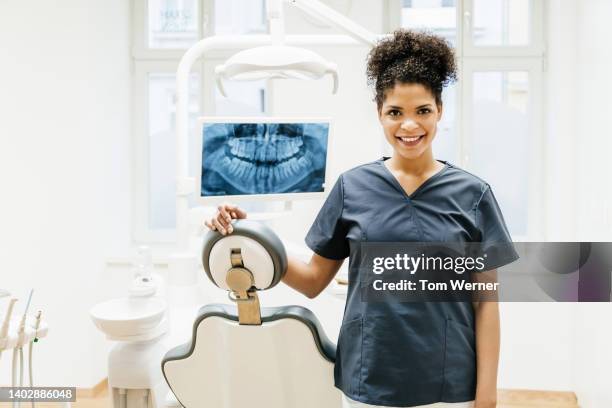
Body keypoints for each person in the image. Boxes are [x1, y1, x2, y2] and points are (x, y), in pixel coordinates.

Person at [205, 29, 518, 408]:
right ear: (379, 114)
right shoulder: (352, 187)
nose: (409, 126)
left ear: (440, 111)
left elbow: (486, 302)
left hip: (448, 382)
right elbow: (312, 280)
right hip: (370, 379)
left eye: (422, 111)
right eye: (395, 112)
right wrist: (249, 237)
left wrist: (486, 397)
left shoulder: (472, 194)